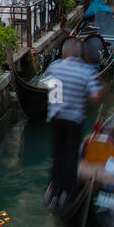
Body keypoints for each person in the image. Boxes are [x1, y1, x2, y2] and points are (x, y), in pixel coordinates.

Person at [43, 38, 104, 212]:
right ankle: (68, 194)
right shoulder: (87, 71)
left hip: (55, 118)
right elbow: (94, 97)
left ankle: (54, 190)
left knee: (57, 156)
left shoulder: (54, 67)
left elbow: (46, 84)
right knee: (70, 157)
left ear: (64, 53)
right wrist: (100, 91)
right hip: (73, 119)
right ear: (79, 54)